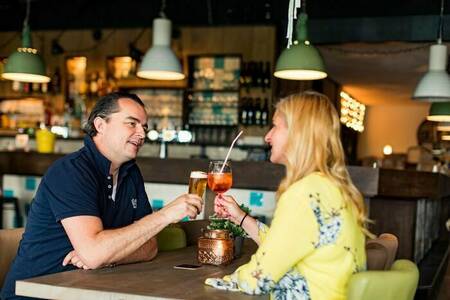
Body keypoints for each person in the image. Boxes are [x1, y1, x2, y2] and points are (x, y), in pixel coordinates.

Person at [1, 92, 203, 300]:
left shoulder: (130, 172)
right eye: (132, 123)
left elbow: (149, 247)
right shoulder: (71, 171)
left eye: (144, 127)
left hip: (87, 290)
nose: (142, 134)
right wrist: (164, 216)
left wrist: (107, 257)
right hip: (34, 295)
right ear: (100, 125)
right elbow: (95, 253)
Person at [205, 91, 371, 299]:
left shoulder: (304, 193)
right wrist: (241, 218)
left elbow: (257, 280)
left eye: (275, 126)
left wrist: (225, 280)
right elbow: (284, 247)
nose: (268, 136)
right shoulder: (330, 188)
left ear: (298, 133)